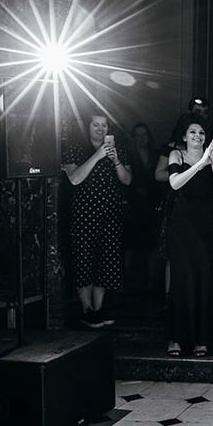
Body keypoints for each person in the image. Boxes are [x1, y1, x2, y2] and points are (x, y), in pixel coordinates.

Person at [63, 112, 132, 328]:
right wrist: (97, 156)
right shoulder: (75, 148)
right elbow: (74, 179)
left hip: (110, 213)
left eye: (104, 125)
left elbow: (127, 180)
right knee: (84, 259)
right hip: (84, 213)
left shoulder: (117, 149)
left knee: (106, 260)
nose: (100, 129)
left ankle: (99, 308)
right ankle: (86, 309)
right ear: (88, 126)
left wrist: (116, 160)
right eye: (96, 125)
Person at [166, 114, 213, 357]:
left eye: (201, 133)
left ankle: (201, 338)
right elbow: (175, 184)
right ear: (184, 136)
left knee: (203, 278)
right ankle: (176, 339)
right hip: (181, 224)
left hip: (206, 224)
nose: (197, 136)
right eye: (192, 132)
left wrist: (211, 160)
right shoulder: (176, 156)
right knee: (182, 279)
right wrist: (200, 164)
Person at [125, 123, 161, 294]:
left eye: (144, 135)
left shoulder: (155, 154)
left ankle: (150, 282)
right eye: (137, 135)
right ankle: (125, 282)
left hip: (152, 205)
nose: (141, 138)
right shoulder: (129, 155)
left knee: (151, 245)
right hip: (133, 205)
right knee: (130, 244)